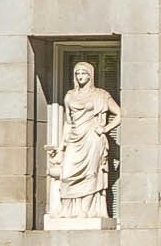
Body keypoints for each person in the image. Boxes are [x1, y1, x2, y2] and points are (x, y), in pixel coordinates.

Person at [45, 59, 123, 226]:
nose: (80, 76)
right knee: (67, 173)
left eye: (84, 73)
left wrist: (105, 128)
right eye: (77, 73)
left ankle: (85, 211)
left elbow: (119, 114)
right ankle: (67, 209)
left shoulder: (101, 95)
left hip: (92, 138)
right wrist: (61, 147)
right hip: (74, 137)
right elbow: (68, 122)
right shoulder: (69, 96)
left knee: (91, 174)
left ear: (91, 75)